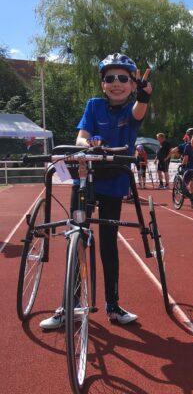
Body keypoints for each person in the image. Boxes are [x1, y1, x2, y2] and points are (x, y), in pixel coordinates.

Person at [40, 53, 152, 329]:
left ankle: (113, 305)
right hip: (85, 178)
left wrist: (145, 95)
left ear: (132, 83)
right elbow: (82, 136)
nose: (116, 83)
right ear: (103, 84)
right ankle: (70, 303)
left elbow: (140, 109)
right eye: (110, 78)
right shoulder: (93, 106)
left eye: (123, 78)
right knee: (76, 239)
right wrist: (86, 144)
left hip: (114, 181)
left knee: (108, 244)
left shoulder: (132, 110)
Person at [180, 127, 193, 208]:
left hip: (190, 169)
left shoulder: (188, 146)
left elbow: (186, 158)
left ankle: (192, 199)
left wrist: (182, 165)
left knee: (183, 186)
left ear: (188, 136)